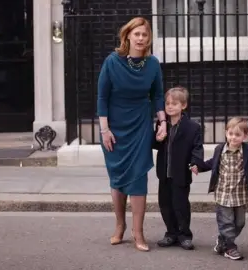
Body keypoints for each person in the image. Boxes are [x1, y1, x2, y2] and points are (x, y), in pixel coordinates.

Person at [97, 17, 167, 252]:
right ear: (127, 36)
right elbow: (102, 97)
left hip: (140, 125)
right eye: (136, 34)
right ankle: (119, 227)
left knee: (138, 177)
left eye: (144, 35)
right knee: (117, 178)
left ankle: (139, 233)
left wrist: (163, 122)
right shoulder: (112, 62)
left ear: (148, 39)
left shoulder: (153, 64)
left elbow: (158, 95)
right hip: (114, 128)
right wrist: (104, 130)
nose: (140, 38)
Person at [192, 117, 248, 260]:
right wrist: (198, 166)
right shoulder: (219, 149)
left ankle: (223, 241)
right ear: (226, 133)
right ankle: (230, 247)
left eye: (237, 135)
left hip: (240, 194)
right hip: (223, 193)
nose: (233, 137)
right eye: (231, 133)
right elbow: (211, 163)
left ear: (245, 136)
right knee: (226, 222)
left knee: (239, 223)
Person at [152, 86, 204, 250]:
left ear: (183, 105)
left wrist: (196, 162)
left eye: (174, 103)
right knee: (165, 204)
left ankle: (184, 235)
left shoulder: (193, 127)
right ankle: (171, 233)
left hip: (180, 173)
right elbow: (155, 144)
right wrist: (158, 139)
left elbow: (197, 147)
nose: (170, 106)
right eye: (167, 103)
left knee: (180, 205)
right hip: (164, 173)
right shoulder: (162, 124)